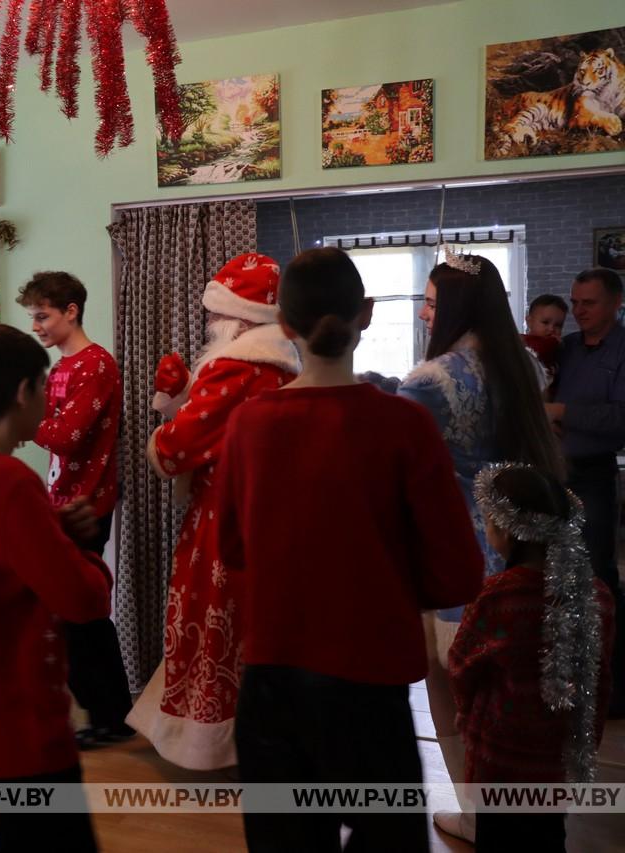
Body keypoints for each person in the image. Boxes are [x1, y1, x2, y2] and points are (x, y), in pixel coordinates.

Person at [218, 247, 484, 853]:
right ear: (365, 313)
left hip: (273, 683)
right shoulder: (403, 425)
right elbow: (456, 573)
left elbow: (232, 549)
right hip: (371, 687)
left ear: (284, 325)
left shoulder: (249, 424)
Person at [398, 250, 564, 843]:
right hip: (527, 546)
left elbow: (404, 470)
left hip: (459, 550)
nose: (422, 313)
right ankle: (520, 810)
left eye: (433, 302)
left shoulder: (430, 380)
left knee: (453, 689)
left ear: (457, 307)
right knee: (513, 697)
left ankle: (475, 811)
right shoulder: (525, 366)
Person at [0, 321, 110, 852]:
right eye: (44, 388)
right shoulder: (12, 482)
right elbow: (83, 601)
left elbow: (1, 559)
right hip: (20, 720)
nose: (49, 402)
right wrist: (85, 554)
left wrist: (54, 529)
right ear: (22, 393)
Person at [127, 252, 300, 771]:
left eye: (214, 316)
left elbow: (180, 446)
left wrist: (166, 417)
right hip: (266, 516)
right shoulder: (282, 365)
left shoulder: (237, 367)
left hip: (223, 519)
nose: (208, 324)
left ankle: (210, 744)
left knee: (213, 624)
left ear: (238, 319)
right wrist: (183, 396)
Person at [450, 463, 614, 853]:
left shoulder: (497, 596)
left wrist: (463, 710)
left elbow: (461, 664)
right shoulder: (598, 596)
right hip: (558, 756)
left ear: (506, 531)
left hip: (501, 760)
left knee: (498, 840)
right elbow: (600, 675)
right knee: (547, 837)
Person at [17, 271, 132, 749]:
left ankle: (110, 715)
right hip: (61, 501)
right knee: (70, 611)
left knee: (80, 612)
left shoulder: (96, 364)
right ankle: (107, 713)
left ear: (71, 311)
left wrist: (25, 416)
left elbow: (67, 436)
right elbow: (55, 433)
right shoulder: (61, 368)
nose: (37, 327)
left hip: (85, 504)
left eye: (42, 316)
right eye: (33, 318)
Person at [548, 266, 625, 719]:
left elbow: (620, 418)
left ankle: (611, 683)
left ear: (616, 303)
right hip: (555, 470)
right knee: (556, 577)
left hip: (594, 473)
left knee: (597, 576)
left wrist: (563, 411)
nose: (578, 311)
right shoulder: (567, 347)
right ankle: (567, 679)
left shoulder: (621, 347)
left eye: (588, 303)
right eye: (574, 302)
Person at [524, 294, 568, 386]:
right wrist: (555, 342)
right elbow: (540, 349)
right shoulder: (525, 342)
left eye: (558, 325)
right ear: (529, 321)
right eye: (545, 322)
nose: (551, 329)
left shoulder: (556, 349)